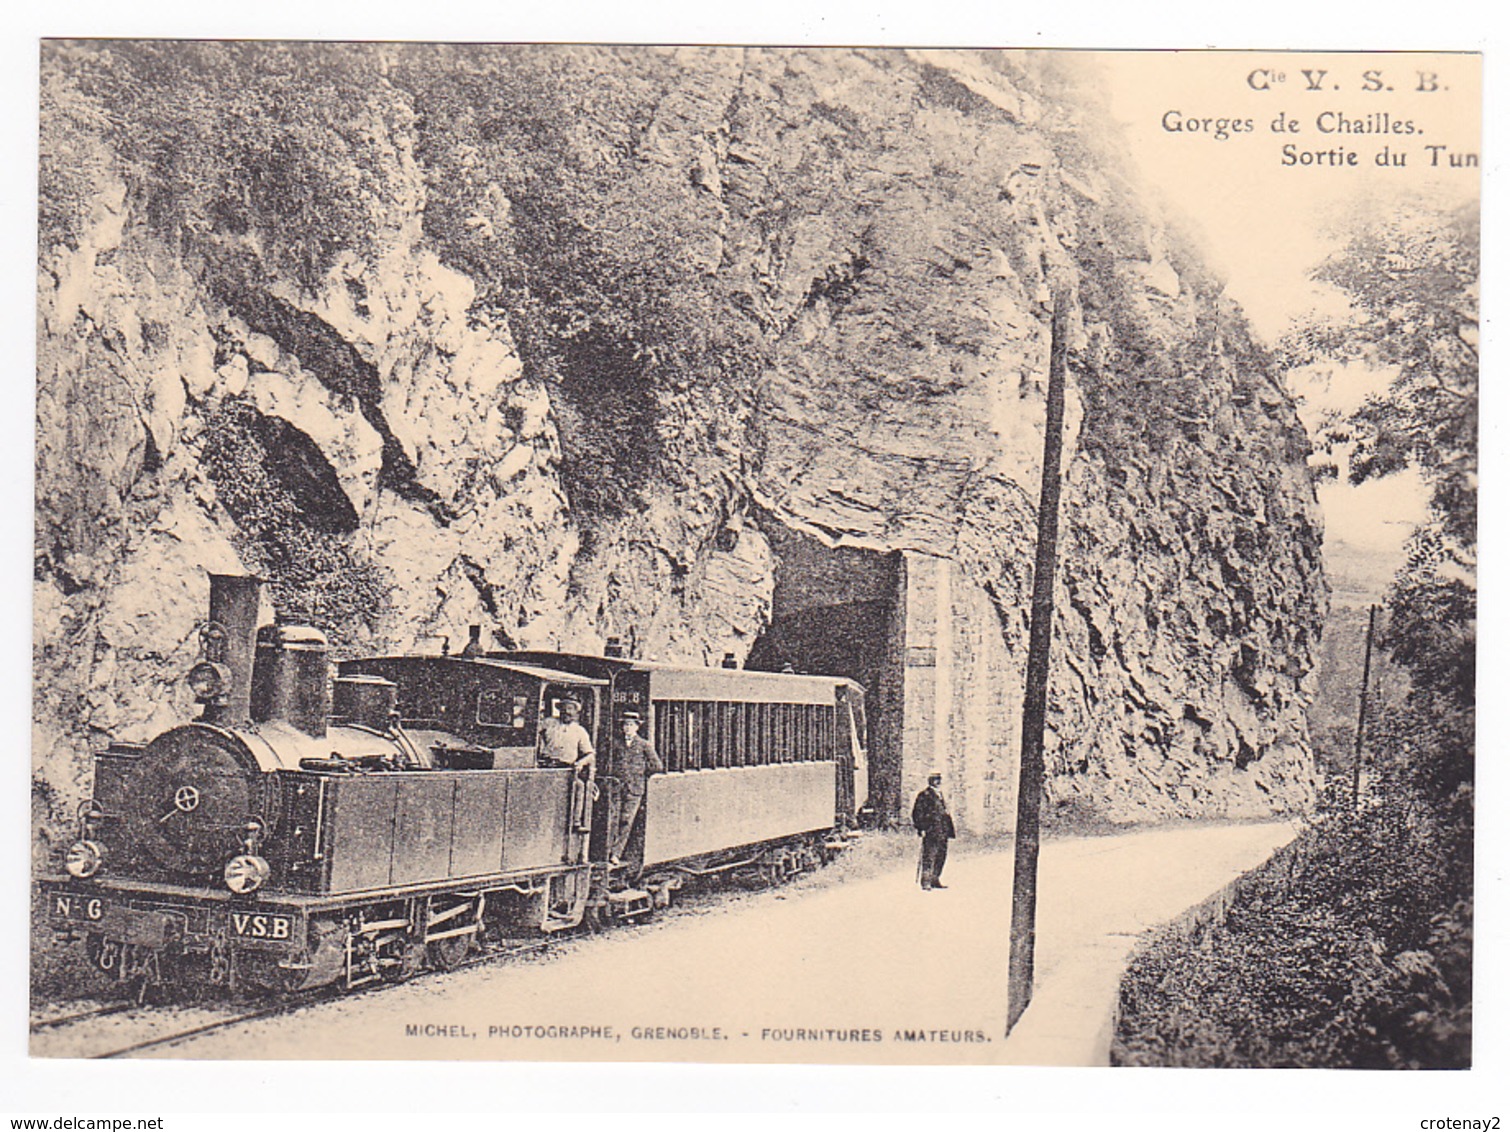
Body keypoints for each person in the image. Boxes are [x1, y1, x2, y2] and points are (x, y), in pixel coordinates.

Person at [610, 711, 663, 866]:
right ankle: (610, 851)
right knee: (613, 819)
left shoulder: (644, 744)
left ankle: (616, 853)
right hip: (617, 787)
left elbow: (657, 765)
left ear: (637, 727)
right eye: (625, 724)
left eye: (631, 725)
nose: (627, 728)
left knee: (626, 820)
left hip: (634, 789)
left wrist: (640, 775)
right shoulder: (616, 743)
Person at [911, 772, 955, 890]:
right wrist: (921, 828)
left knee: (941, 856)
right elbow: (917, 813)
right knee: (929, 855)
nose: (938, 782)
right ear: (930, 781)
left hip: (942, 831)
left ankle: (935, 879)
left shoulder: (940, 794)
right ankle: (926, 882)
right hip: (931, 830)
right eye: (936, 780)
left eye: (939, 779)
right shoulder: (924, 795)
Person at [539, 697, 595, 770]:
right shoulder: (548, 723)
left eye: (570, 708)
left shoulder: (579, 731)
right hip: (545, 767)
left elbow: (590, 755)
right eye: (563, 708)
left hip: (566, 768)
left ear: (576, 711)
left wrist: (580, 763)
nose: (566, 711)